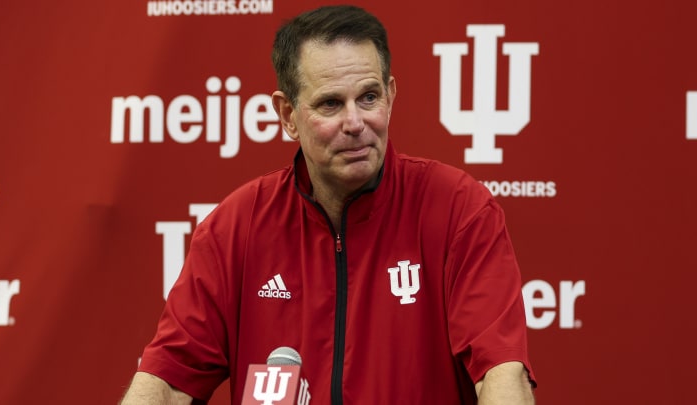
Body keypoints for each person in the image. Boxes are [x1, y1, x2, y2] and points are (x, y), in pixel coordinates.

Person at [121, 5, 536, 404]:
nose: (355, 123)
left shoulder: (459, 208)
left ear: (390, 96)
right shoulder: (235, 228)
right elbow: (167, 381)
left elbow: (502, 373)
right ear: (287, 115)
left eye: (369, 97)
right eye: (331, 104)